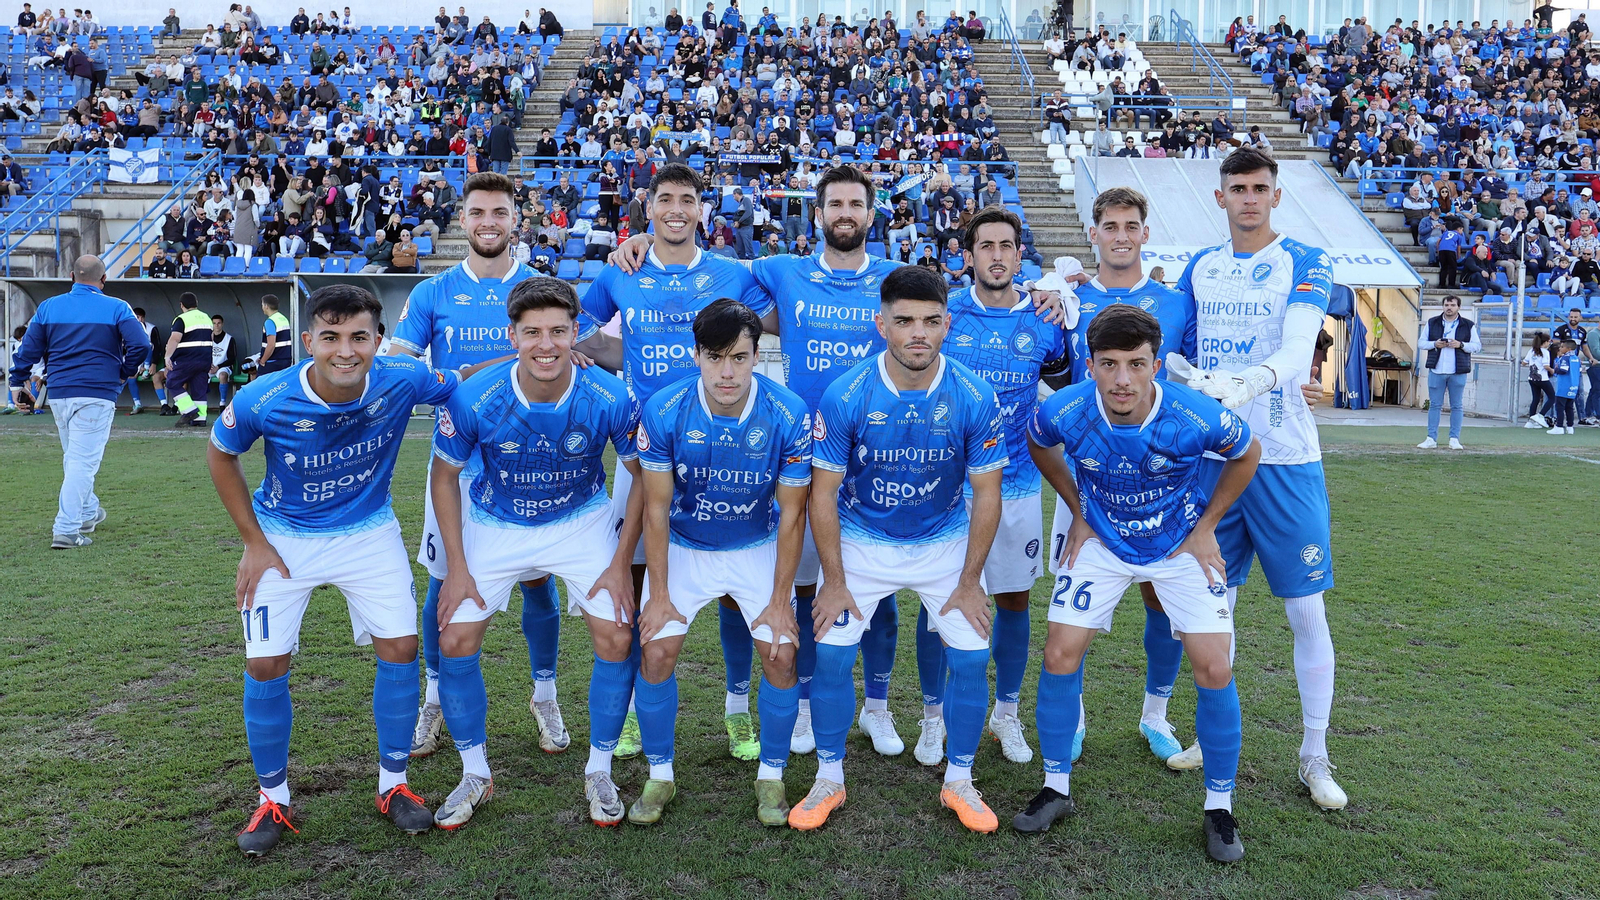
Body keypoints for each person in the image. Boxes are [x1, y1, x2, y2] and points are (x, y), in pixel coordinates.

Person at [610, 165, 1066, 758]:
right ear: (818, 215)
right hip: (803, 453)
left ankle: (877, 706)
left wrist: (1050, 292)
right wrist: (646, 241)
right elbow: (710, 280)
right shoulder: (780, 271)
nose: (845, 213)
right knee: (801, 590)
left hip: (889, 455)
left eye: (857, 203)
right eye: (835, 204)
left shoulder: (898, 281)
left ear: (871, 215)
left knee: (879, 596)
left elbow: (959, 311)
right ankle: (791, 704)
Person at [209, 285, 459, 857]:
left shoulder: (404, 377)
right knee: (266, 661)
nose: (345, 351)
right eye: (330, 337)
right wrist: (252, 542)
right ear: (309, 341)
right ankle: (273, 798)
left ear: (378, 340)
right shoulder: (265, 397)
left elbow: (464, 379)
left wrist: (546, 357)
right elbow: (221, 454)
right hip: (283, 540)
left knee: (399, 649)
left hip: (368, 533)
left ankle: (393, 786)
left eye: (358, 338)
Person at [1021, 305, 1260, 861]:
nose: (1123, 379)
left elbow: (1247, 452)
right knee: (1059, 653)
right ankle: (1056, 788)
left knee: (1215, 666)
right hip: (1101, 541)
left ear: (1156, 365)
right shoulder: (1066, 409)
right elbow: (1038, 443)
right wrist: (1078, 508)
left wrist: (1205, 528)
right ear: (1090, 364)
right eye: (1109, 364)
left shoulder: (1192, 414)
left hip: (1179, 545)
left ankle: (1219, 807)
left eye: (1136, 364)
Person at [1161, 148, 1347, 811]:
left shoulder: (1305, 259)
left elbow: (1299, 345)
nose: (1247, 197)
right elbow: (1168, 341)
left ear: (1275, 195)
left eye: (1258, 188)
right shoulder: (1200, 268)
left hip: (1285, 458)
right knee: (1216, 607)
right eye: (1236, 187)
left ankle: (1314, 754)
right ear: (1220, 198)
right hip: (1214, 460)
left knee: (1305, 610)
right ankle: (1214, 740)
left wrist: (1249, 381)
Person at [793, 264, 1008, 833]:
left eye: (931, 321)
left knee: (971, 657)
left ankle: (959, 780)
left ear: (948, 325)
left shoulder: (974, 394)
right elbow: (824, 493)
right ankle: (829, 779)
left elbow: (988, 495)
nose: (919, 332)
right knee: (834, 656)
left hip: (944, 543)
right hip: (863, 540)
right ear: (880, 323)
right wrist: (834, 580)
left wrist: (968, 581)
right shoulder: (846, 394)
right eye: (905, 320)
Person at [390, 172, 596, 762]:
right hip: (456, 464)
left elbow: (574, 351)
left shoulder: (542, 287)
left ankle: (545, 694)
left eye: (499, 213)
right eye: (478, 212)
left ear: (516, 220)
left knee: (539, 581)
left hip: (535, 460)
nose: (488, 223)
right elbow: (401, 367)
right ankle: (432, 699)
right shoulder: (432, 293)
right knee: (442, 585)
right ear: (463, 220)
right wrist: (455, 376)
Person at [427, 277, 641, 829]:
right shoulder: (475, 395)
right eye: (532, 333)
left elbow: (643, 479)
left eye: (558, 331)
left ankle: (599, 770)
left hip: (580, 520)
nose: (546, 345)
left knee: (617, 632)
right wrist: (456, 567)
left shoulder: (610, 395)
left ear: (577, 333)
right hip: (497, 521)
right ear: (512, 335)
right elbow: (444, 476)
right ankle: (475, 772)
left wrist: (620, 564)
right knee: (454, 634)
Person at [582, 164, 771, 760]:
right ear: (648, 206)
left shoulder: (733, 273)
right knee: (636, 583)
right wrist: (587, 360)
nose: (676, 210)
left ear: (701, 211)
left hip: (724, 451)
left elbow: (783, 309)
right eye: (665, 199)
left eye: (687, 200)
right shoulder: (620, 272)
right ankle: (641, 704)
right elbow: (577, 331)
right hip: (640, 456)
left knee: (738, 592)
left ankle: (738, 710)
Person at [631, 298, 809, 826]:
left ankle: (772, 777)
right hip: (685, 547)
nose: (726, 372)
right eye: (714, 358)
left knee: (780, 655)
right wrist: (659, 594)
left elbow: (793, 514)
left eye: (738, 357)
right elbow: (656, 508)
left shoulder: (789, 412)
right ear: (696, 356)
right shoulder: (664, 409)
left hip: (755, 546)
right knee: (656, 652)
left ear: (757, 355)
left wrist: (781, 602)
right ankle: (660, 776)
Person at [924, 207, 1067, 768]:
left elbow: (1065, 386)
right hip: (950, 489)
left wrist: (1063, 295)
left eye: (1008, 245)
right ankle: (932, 717)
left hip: (1019, 486)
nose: (998, 255)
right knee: (940, 601)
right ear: (969, 256)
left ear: (1018, 254)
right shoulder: (946, 316)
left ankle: (1005, 715)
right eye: (987, 246)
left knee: (1012, 601)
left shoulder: (1045, 320)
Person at [6, 255, 150, 549]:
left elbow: (28, 350)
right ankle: (67, 529)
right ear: (104, 280)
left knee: (75, 458)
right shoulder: (117, 307)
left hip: (60, 394)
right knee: (82, 462)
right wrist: (123, 372)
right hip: (97, 392)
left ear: (71, 276)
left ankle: (87, 512)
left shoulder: (49, 307)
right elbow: (141, 345)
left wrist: (16, 382)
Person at [1417, 296, 1480, 450]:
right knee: (1434, 405)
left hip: (1457, 371)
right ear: (1443, 307)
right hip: (1437, 370)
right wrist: (1434, 344)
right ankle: (1431, 438)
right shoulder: (1433, 322)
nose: (1449, 307)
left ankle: (1454, 438)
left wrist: (1461, 345)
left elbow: (1477, 346)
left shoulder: (1468, 325)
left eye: (1452, 305)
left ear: (1459, 307)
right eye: (1446, 305)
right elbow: (1421, 342)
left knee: (1457, 406)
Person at [162, 291, 214, 428]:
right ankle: (200, 418)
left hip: (187, 359)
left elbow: (175, 338)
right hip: (205, 359)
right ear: (196, 304)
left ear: (181, 305)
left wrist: (168, 357)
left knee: (172, 382)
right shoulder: (206, 318)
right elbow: (211, 339)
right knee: (199, 388)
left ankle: (189, 411)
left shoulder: (182, 319)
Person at [255, 294, 293, 376]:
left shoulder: (270, 321)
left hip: (272, 362)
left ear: (266, 306)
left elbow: (271, 345)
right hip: (285, 360)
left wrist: (263, 361)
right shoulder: (283, 318)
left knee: (261, 386)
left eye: (262, 305)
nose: (262, 308)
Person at [1524, 331, 1555, 429]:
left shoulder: (1531, 351)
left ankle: (1531, 420)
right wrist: (1552, 370)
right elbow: (1546, 366)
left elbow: (1524, 362)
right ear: (1545, 342)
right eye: (1549, 342)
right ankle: (1540, 415)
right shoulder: (1545, 352)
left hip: (1532, 378)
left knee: (1536, 398)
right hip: (1543, 378)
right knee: (1552, 397)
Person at [1551, 340, 1582, 435]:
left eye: (1562, 347)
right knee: (1569, 408)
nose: (1560, 348)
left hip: (1563, 386)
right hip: (1573, 386)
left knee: (1560, 407)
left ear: (1568, 348)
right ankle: (1570, 427)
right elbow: (1579, 371)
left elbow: (1563, 370)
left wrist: (1555, 369)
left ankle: (1559, 426)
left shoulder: (1565, 358)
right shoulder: (1577, 358)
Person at [210, 313, 241, 409]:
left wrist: (218, 367)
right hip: (209, 367)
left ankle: (222, 404)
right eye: (214, 323)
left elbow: (232, 358)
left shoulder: (229, 339)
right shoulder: (207, 338)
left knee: (223, 375)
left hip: (223, 367)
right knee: (197, 375)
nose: (216, 325)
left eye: (219, 323)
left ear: (222, 324)